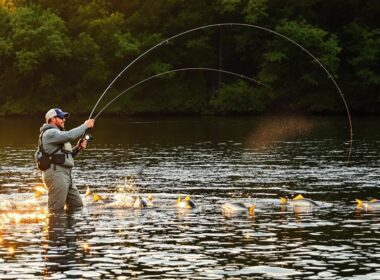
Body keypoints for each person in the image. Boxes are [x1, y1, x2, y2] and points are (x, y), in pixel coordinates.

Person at [38, 108, 95, 211]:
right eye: (61, 117)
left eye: (64, 117)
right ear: (53, 119)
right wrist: (85, 125)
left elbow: (64, 156)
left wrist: (78, 148)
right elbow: (70, 135)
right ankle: (55, 226)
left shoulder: (58, 135)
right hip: (56, 174)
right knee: (55, 210)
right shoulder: (50, 133)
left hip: (66, 175)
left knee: (77, 206)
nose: (64, 120)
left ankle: (68, 227)